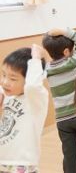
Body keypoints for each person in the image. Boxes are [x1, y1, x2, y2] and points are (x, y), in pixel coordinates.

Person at [42, 28, 76, 172]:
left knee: (69, 156)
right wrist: (64, 31)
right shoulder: (74, 62)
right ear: (66, 51)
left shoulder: (46, 70)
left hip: (62, 120)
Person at [0, 45, 48, 173]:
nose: (5, 82)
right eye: (3, 75)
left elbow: (33, 85)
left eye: (13, 78)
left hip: (22, 165)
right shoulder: (5, 94)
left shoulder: (35, 99)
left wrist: (36, 58)